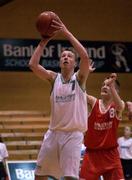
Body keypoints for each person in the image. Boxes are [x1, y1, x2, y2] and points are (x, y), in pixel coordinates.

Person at [29, 16, 90, 180]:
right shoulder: (53, 78)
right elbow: (33, 65)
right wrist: (43, 42)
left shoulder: (80, 79)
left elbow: (85, 57)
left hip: (72, 135)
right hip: (53, 133)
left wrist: (66, 32)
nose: (65, 58)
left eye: (69, 56)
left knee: (70, 177)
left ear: (74, 63)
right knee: (39, 175)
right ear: (59, 62)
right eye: (63, 56)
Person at [80, 73, 125, 180]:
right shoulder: (93, 102)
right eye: (103, 85)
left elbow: (120, 106)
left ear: (115, 91)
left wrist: (112, 86)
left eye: (108, 85)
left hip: (111, 154)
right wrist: (85, 75)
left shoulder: (118, 105)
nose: (104, 86)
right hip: (92, 155)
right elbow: (80, 93)